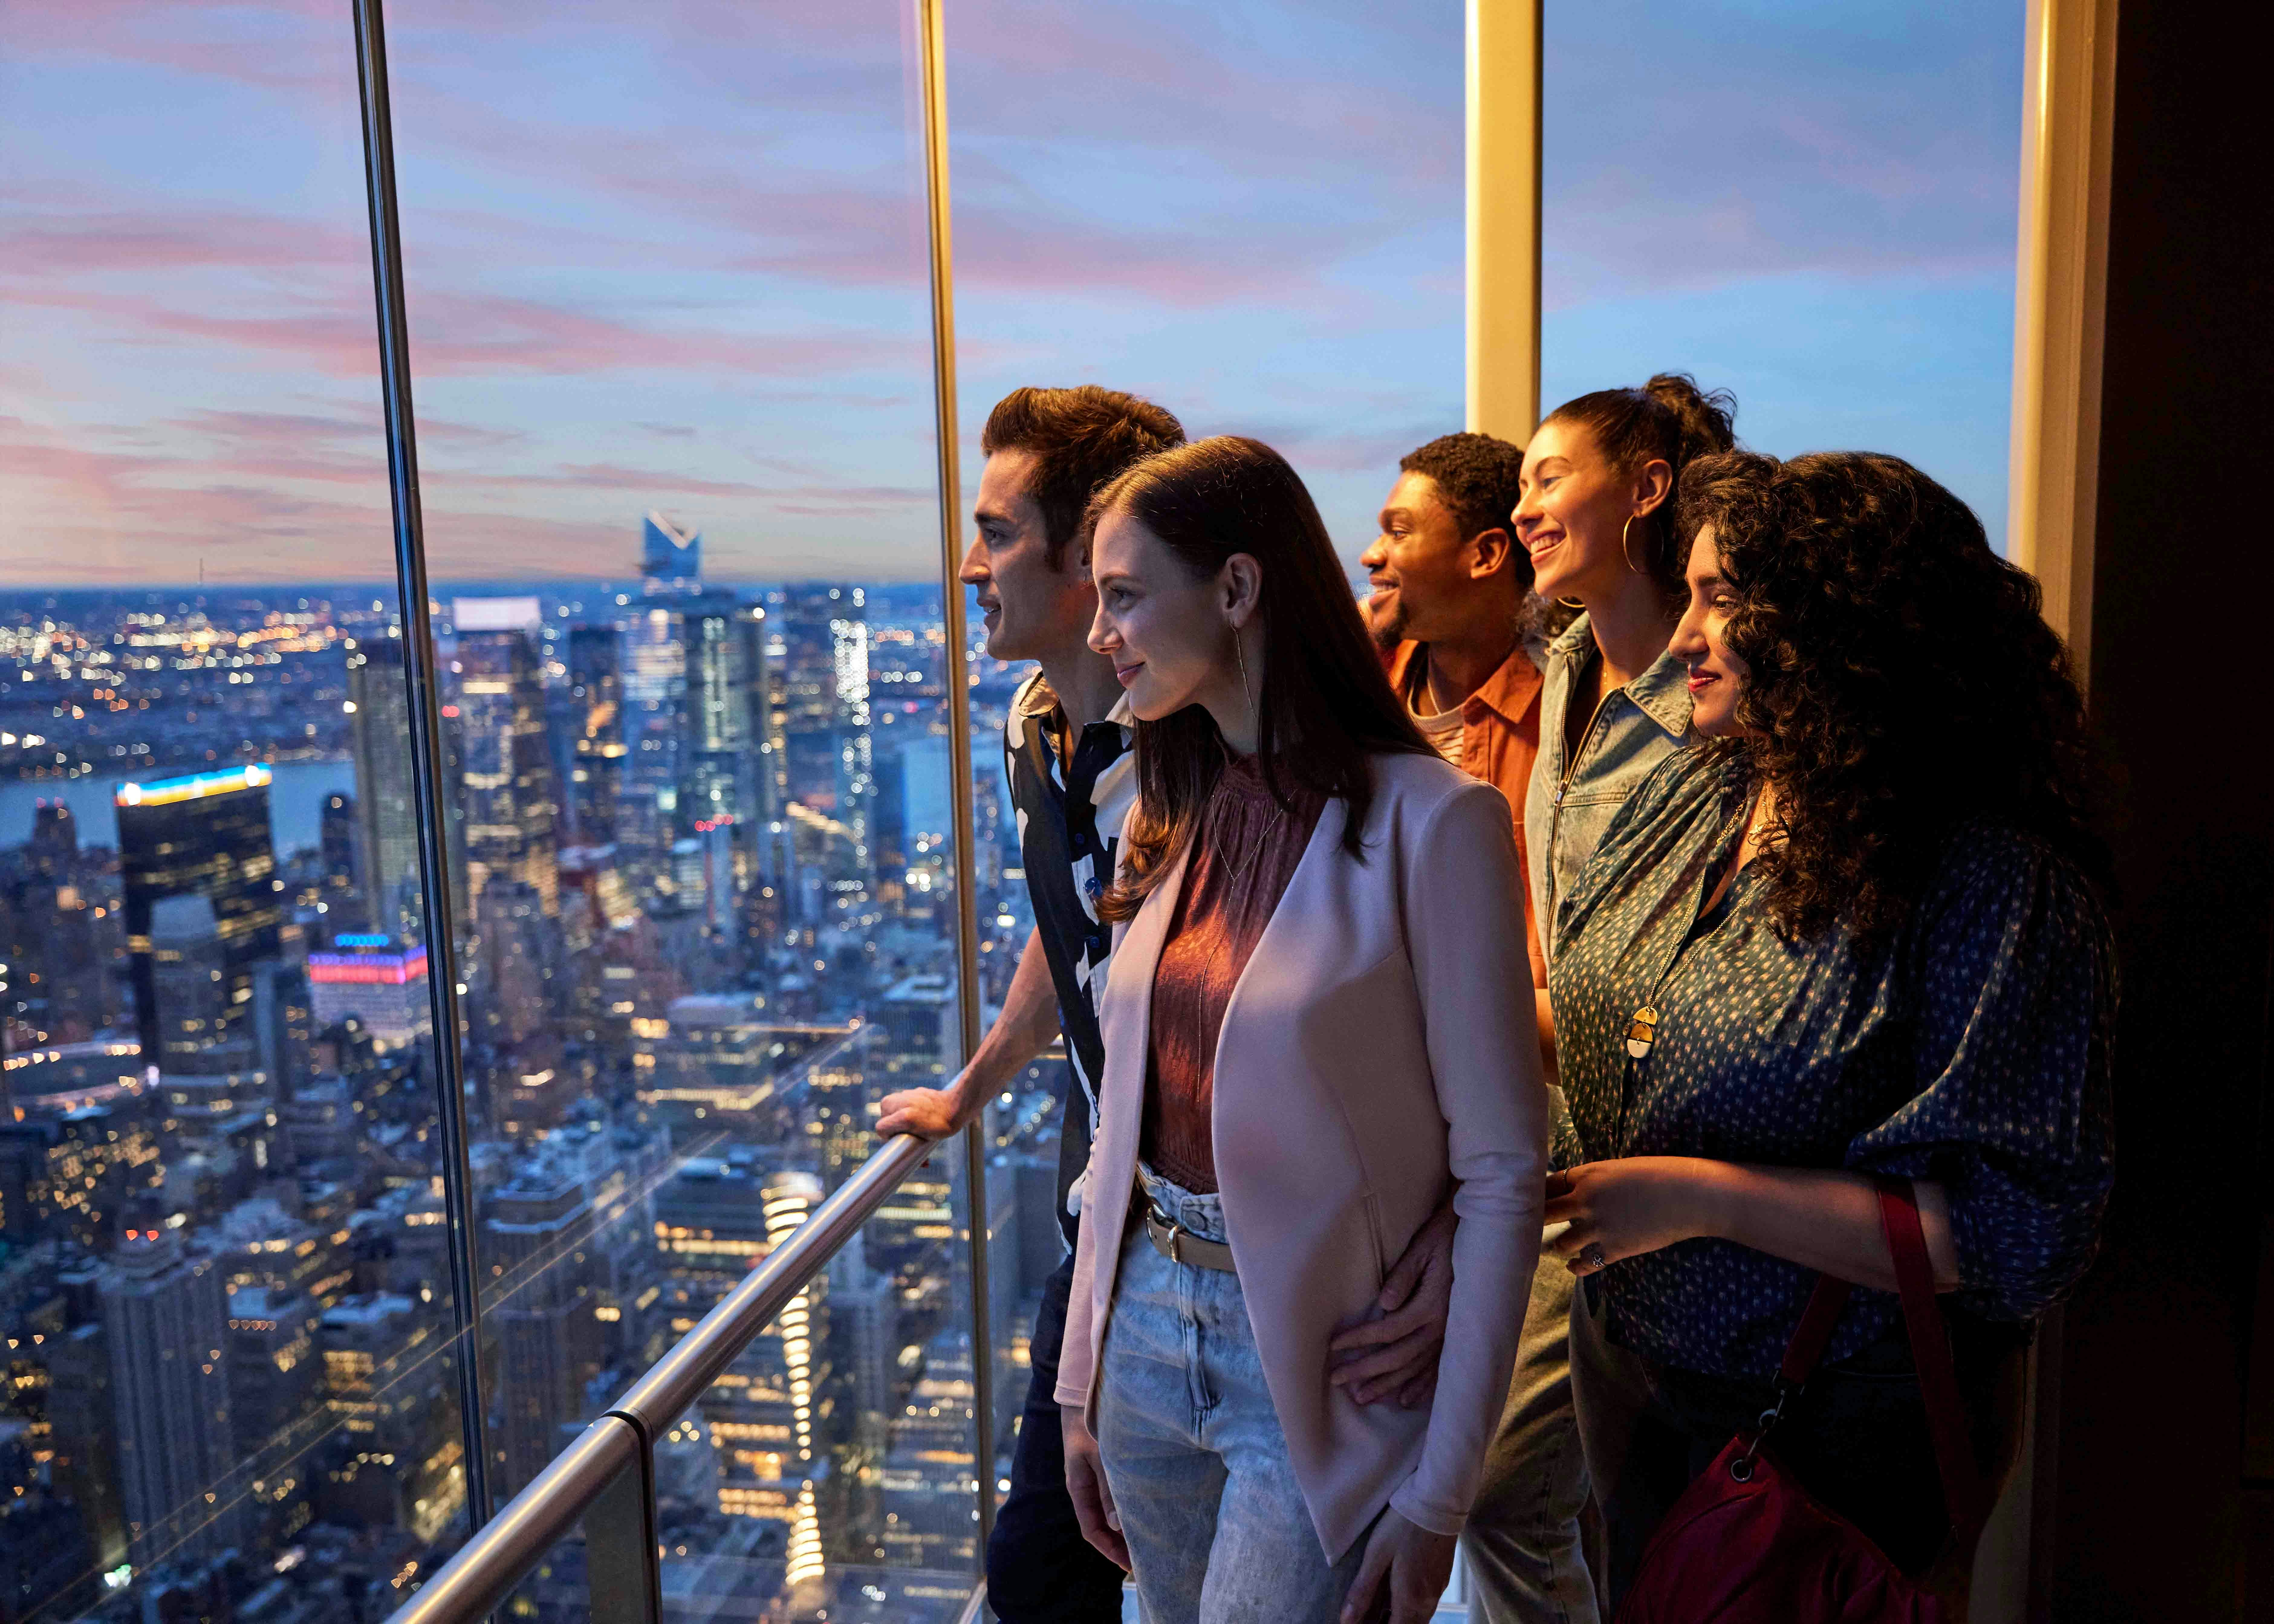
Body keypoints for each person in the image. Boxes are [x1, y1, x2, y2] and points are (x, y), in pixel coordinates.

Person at [1543, 450, 2116, 1606]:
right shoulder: (1703, 789)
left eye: (1719, 602)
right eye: (1689, 595)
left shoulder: (1983, 878)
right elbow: (1604, 1006)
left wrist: (1697, 1196)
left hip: (1832, 1419)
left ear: (1840, 630)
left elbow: (2005, 1236)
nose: (1681, 638)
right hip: (1633, 1373)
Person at [1056, 436, 1549, 1624]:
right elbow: (1119, 1117)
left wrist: (1439, 1500)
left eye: (1124, 596)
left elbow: (1501, 1172)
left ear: (1237, 589)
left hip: (1320, 1365)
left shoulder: (1440, 824)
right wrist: (1082, 1381)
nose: (1098, 632)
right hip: (1143, 1329)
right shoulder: (1165, 810)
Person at [875, 384, 1183, 1623]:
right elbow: (1068, 941)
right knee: (1044, 1572)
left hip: (1224, 1250)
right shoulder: (1036, 727)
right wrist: (972, 1087)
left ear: (1094, 553)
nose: (968, 566)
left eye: (997, 534)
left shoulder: (1204, 760)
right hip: (1101, 1219)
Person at [1339, 431, 1593, 1624]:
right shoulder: (1363, 695)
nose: (1372, 551)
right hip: (1387, 1135)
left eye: (1400, 529)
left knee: (1494, 1486)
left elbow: (1556, 1002)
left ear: (1488, 556)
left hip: (1527, 1139)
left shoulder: (1574, 727)